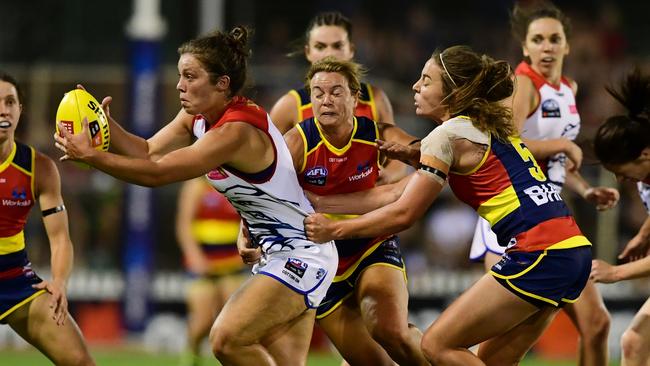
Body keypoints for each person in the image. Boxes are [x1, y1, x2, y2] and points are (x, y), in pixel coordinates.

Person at [53, 27, 337, 366]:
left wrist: (93, 157)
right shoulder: (197, 118)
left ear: (222, 83)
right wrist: (104, 124)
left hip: (304, 254)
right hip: (275, 253)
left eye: (190, 76)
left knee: (225, 339)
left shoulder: (235, 131)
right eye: (179, 75)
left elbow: (158, 174)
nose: (179, 85)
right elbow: (146, 151)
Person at [304, 45, 594, 365]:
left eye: (426, 80)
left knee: (437, 345)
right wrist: (321, 201)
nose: (416, 86)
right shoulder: (489, 126)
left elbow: (404, 214)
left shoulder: (446, 135)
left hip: (539, 250)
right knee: (491, 360)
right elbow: (406, 189)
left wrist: (335, 228)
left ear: (452, 92)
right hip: (572, 249)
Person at [468, 2, 616, 364]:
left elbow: (556, 162)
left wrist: (584, 189)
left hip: (551, 213)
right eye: (538, 39)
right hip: (513, 217)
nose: (546, 47)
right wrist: (563, 144)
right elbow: (508, 142)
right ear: (525, 48)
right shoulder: (522, 84)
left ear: (567, 46)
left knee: (595, 323)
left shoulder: (568, 88)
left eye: (554, 39)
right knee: (510, 337)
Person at [281, 57, 427, 365]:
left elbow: (429, 155)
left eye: (336, 92)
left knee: (392, 332)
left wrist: (412, 153)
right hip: (321, 262)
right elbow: (267, 193)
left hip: (370, 246)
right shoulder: (296, 142)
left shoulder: (375, 134)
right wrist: (250, 234)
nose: (326, 100)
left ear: (355, 97)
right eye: (318, 93)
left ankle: (439, 355)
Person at [0, 72, 95, 365]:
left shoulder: (38, 168)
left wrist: (60, 281)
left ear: (19, 111)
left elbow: (59, 237)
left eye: (10, 102)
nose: (3, 109)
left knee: (81, 362)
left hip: (15, 279)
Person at [270, 11, 407, 184]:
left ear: (351, 50)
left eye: (337, 46)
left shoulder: (376, 98)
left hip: (367, 208)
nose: (329, 53)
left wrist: (387, 177)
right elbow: (268, 166)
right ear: (308, 52)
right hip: (312, 208)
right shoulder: (289, 105)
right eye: (320, 46)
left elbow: (396, 156)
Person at [590, 68, 650, 366]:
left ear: (645, 154)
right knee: (634, 341)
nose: (620, 179)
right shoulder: (644, 177)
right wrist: (644, 235)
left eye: (621, 171)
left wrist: (615, 273)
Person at [176, 177, 246, 366]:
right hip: (203, 265)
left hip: (232, 264)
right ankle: (192, 358)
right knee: (202, 321)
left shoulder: (236, 183)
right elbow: (184, 225)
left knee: (233, 323)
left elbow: (247, 221)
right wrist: (195, 257)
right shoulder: (196, 185)